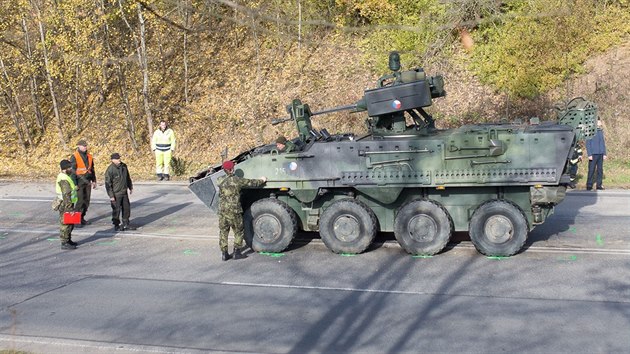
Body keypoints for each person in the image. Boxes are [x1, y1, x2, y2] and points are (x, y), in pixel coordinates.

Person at [217, 160, 266, 261]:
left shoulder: (219, 180)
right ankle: (237, 252)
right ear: (232, 169)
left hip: (222, 211)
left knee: (223, 231)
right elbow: (251, 183)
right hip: (234, 211)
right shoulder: (237, 180)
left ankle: (224, 254)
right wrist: (262, 180)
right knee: (238, 231)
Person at [104, 153, 135, 231]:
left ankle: (126, 223)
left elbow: (127, 177)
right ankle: (116, 225)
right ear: (112, 160)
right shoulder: (110, 170)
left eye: (119, 158)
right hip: (116, 193)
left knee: (126, 208)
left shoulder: (124, 166)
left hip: (124, 191)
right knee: (116, 210)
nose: (119, 160)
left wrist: (130, 186)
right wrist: (111, 196)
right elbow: (108, 184)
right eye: (117, 159)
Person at [69, 139, 96, 225]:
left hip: (87, 181)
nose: (85, 147)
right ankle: (75, 220)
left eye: (85, 146)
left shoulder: (89, 156)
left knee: (86, 201)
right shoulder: (74, 156)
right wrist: (75, 184)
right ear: (78, 146)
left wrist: (94, 180)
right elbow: (73, 171)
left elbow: (92, 169)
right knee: (80, 201)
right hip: (79, 181)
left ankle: (81, 218)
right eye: (83, 146)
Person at [56, 159, 78, 250]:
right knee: (66, 223)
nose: (71, 169)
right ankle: (64, 242)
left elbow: (70, 190)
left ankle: (68, 239)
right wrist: (70, 209)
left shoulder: (65, 176)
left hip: (68, 203)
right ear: (65, 169)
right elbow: (66, 195)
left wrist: (75, 188)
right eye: (69, 167)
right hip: (66, 204)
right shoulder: (64, 179)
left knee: (70, 223)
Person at [585, 118, 607, 191]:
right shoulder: (590, 131)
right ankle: (589, 185)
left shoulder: (600, 131)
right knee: (591, 170)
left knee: (600, 170)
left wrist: (604, 153)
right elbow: (588, 143)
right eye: (599, 121)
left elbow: (603, 143)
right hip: (593, 154)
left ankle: (599, 185)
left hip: (600, 154)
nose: (600, 122)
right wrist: (589, 154)